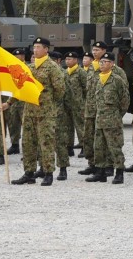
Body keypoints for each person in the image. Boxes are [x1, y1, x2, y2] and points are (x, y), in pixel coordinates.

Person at [6, 37, 65, 186]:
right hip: (29, 112)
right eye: (34, 47)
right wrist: (8, 103)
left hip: (45, 112)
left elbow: (60, 90)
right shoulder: (30, 68)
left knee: (46, 143)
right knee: (28, 143)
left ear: (46, 49)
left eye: (38, 47)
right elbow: (21, 88)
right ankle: (29, 173)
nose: (35, 50)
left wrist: (48, 103)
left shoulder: (52, 67)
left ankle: (48, 173)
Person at [86, 52, 129, 184]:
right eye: (101, 62)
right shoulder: (98, 79)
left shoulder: (117, 80)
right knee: (98, 147)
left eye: (105, 62)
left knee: (114, 147)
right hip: (99, 120)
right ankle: (100, 172)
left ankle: (119, 172)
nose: (102, 64)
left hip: (112, 120)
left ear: (111, 64)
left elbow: (125, 100)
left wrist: (116, 114)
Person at [59, 49, 86, 177]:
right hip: (66, 104)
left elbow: (86, 88)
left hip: (78, 104)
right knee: (67, 127)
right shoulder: (65, 72)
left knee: (80, 126)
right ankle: (69, 147)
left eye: (70, 59)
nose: (68, 61)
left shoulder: (80, 72)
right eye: (67, 59)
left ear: (76, 60)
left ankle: (84, 147)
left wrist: (84, 102)